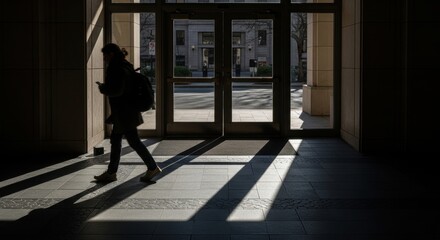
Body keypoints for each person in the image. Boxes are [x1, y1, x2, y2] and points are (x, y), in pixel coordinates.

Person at [94, 43, 162, 183]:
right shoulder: (125, 65)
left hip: (124, 112)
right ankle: (111, 172)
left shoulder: (116, 68)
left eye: (105, 55)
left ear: (111, 54)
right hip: (127, 110)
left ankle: (152, 167)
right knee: (117, 141)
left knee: (133, 141)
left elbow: (117, 90)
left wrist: (104, 88)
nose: (104, 58)